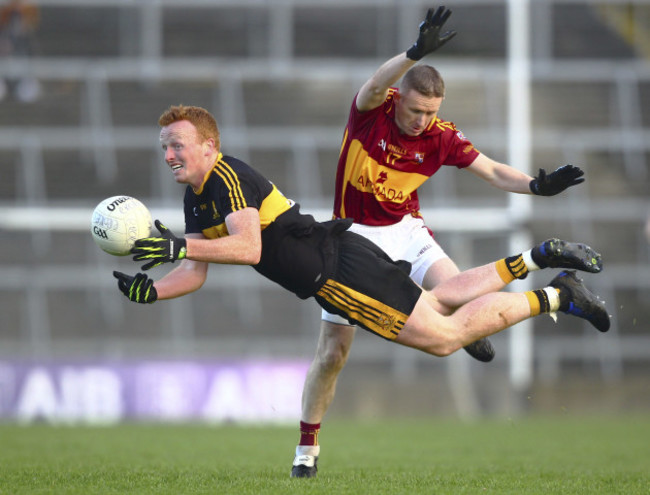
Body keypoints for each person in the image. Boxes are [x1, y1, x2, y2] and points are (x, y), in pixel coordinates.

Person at [112, 105, 609, 473]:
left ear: (208, 147)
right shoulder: (196, 200)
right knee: (442, 312)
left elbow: (247, 248)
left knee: (443, 336)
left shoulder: (226, 176)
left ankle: (557, 290)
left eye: (177, 144)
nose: (169, 154)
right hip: (338, 267)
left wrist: (178, 248)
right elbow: (197, 271)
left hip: (337, 274)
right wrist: (153, 292)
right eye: (164, 147)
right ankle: (550, 275)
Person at [292, 5, 589, 478]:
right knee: (333, 353)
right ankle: (306, 451)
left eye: (431, 112)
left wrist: (536, 185)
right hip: (350, 239)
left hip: (407, 231)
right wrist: (411, 54)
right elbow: (372, 84)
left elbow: (491, 170)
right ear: (398, 98)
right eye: (415, 110)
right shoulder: (372, 113)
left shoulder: (441, 136)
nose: (422, 120)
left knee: (460, 291)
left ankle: (496, 312)